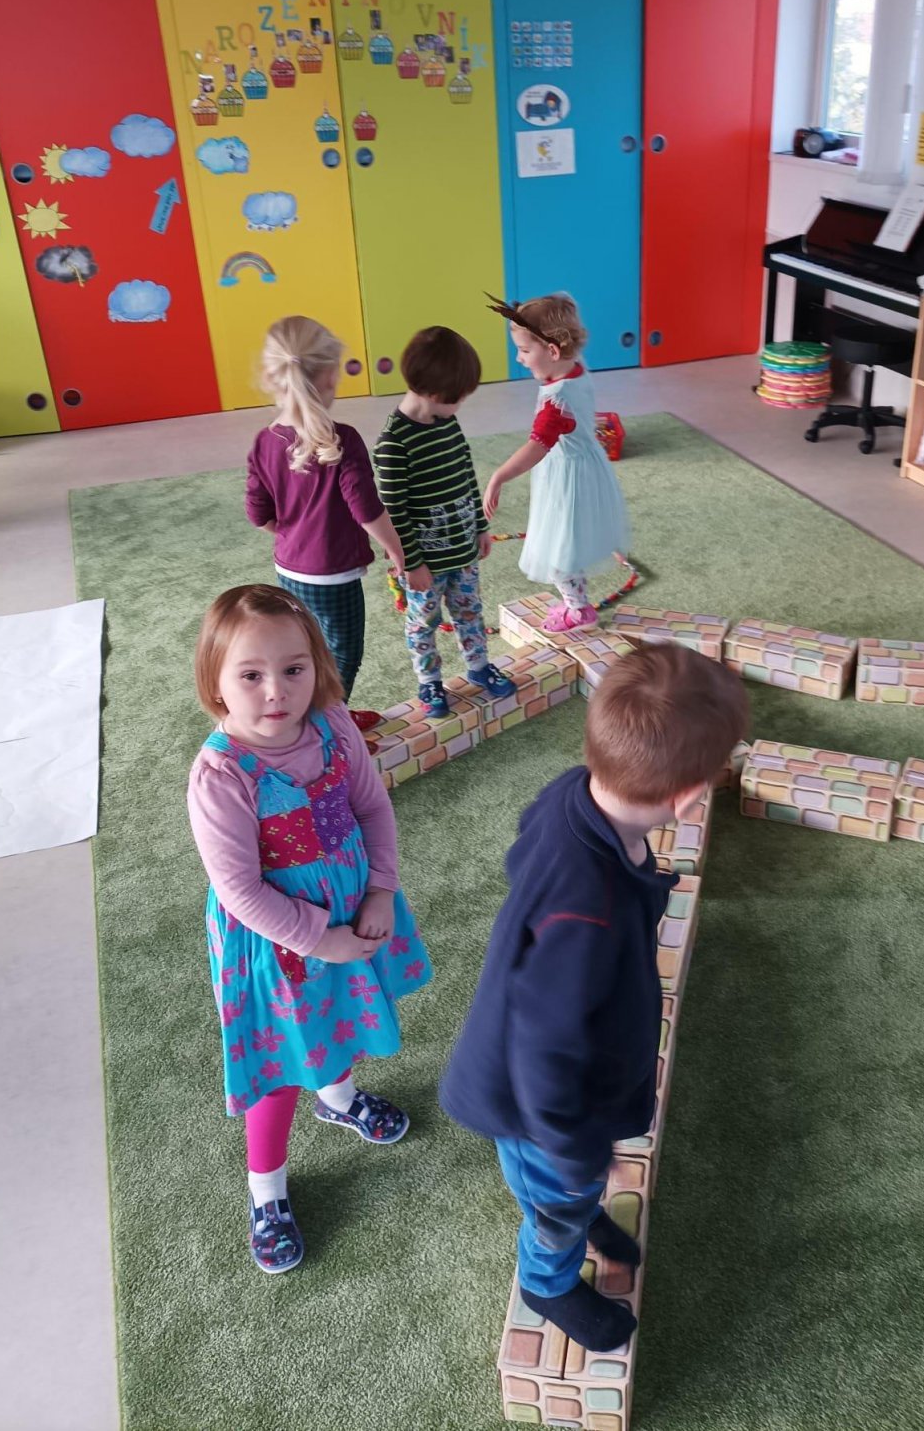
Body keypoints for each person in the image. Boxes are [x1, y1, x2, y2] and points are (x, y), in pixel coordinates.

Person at [440, 643, 748, 1349]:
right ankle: (547, 1281)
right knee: (556, 1201)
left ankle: (576, 1209)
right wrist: (575, 1152)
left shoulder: (576, 792)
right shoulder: (586, 918)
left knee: (568, 1195)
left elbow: (527, 837)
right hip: (538, 1111)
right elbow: (544, 1052)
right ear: (686, 797)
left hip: (555, 1084)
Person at [187, 584, 432, 1273]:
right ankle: (266, 1192)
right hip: (274, 947)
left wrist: (381, 890)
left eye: (293, 668)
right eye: (251, 675)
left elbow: (372, 808)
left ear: (317, 666)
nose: (277, 691)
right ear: (216, 683)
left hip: (352, 914)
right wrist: (321, 939)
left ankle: (339, 1098)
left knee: (337, 1018)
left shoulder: (332, 724)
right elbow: (240, 891)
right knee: (277, 1069)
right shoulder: (220, 773)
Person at [245, 315, 406, 706]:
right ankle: (326, 721)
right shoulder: (343, 439)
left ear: (273, 377)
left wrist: (294, 534)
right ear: (331, 376)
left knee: (308, 648)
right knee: (344, 653)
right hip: (333, 575)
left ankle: (310, 714)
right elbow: (366, 509)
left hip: (288, 569)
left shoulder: (264, 441)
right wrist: (397, 550)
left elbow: (258, 514)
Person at [372, 325, 517, 719]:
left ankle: (478, 666)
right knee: (423, 623)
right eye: (461, 397)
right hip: (425, 565)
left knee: (470, 612)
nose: (462, 404)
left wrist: (480, 527)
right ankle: (429, 681)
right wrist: (412, 563)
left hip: (462, 551)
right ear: (437, 394)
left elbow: (466, 474)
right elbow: (394, 510)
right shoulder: (393, 443)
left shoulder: (447, 423)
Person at [482, 293, 630, 634]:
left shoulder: (556, 402)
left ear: (551, 351)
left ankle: (579, 611)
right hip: (584, 467)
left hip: (567, 479)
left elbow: (536, 448)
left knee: (557, 550)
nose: (519, 358)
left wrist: (498, 477)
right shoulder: (576, 369)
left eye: (524, 350)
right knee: (569, 543)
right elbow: (563, 303)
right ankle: (575, 600)